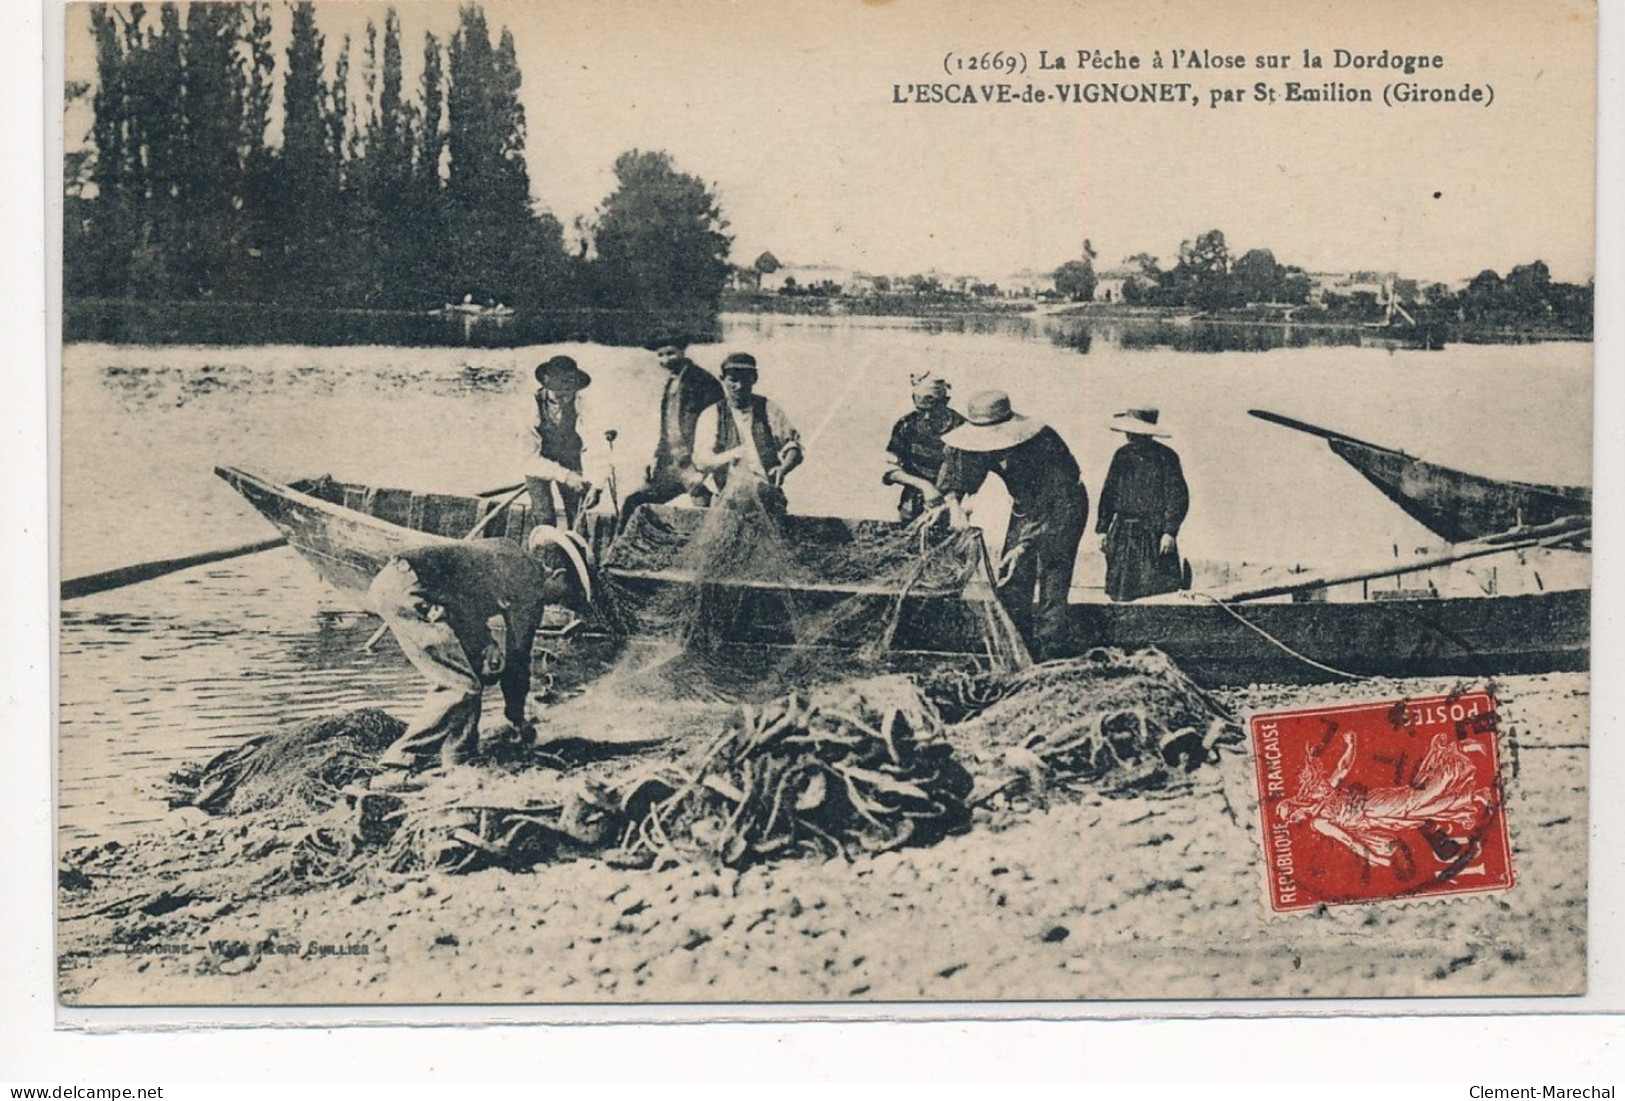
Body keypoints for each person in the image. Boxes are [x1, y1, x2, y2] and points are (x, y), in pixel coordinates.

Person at [368, 528, 592, 782]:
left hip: (398, 583)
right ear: (558, 575)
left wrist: (484, 645)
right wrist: (517, 717)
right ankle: (398, 763)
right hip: (412, 592)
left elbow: (465, 595)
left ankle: (459, 757)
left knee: (472, 673)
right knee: (460, 686)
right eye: (564, 594)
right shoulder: (530, 584)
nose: (557, 603)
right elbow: (518, 657)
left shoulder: (509, 553)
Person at [934, 389, 1088, 659]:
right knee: (1012, 580)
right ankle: (1017, 647)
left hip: (1064, 508)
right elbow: (957, 473)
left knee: (1052, 577)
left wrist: (1024, 546)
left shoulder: (1043, 443)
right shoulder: (975, 443)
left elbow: (1057, 499)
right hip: (1025, 508)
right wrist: (954, 505)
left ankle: (1051, 652)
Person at [618, 341, 724, 524]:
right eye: (660, 355)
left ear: (682, 352)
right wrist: (656, 458)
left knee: (703, 518)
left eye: (670, 353)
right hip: (670, 465)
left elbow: (719, 424)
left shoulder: (703, 380)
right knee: (634, 502)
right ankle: (623, 548)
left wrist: (705, 467)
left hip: (696, 466)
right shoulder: (671, 382)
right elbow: (666, 427)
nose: (665, 360)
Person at [1096, 407, 1189, 602]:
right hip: (1122, 534)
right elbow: (1109, 493)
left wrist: (1169, 532)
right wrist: (1103, 529)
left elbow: (1178, 496)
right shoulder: (1121, 455)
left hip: (1153, 534)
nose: (1130, 436)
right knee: (1120, 592)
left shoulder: (1166, 457)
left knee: (1157, 592)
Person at [692, 352, 803, 511]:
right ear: (722, 379)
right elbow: (702, 461)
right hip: (726, 496)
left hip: (766, 494)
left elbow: (793, 446)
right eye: (733, 380)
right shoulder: (712, 414)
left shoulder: (768, 408)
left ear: (754, 379)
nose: (739, 386)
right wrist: (731, 455)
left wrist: (783, 468)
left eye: (745, 380)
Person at [882, 371, 966, 522]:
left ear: (945, 401)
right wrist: (925, 486)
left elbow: (969, 474)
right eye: (921, 411)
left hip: (953, 505)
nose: (926, 417)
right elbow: (889, 469)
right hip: (913, 503)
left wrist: (951, 500)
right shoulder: (906, 425)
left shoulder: (961, 427)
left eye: (932, 411)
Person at [528, 355, 595, 528]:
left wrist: (596, 481)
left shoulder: (583, 404)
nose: (564, 395)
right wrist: (565, 476)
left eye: (569, 390)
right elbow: (528, 459)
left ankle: (579, 548)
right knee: (544, 516)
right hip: (536, 462)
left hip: (570, 457)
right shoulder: (529, 407)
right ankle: (545, 550)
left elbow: (595, 444)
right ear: (547, 385)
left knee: (578, 516)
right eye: (558, 389)